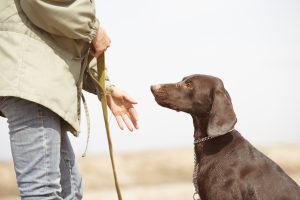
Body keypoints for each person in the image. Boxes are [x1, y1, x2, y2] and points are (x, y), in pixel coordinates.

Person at [0, 0, 138, 199]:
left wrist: (105, 87)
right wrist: (93, 28)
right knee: (42, 192)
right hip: (32, 76)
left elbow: (62, 38)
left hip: (38, 77)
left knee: (70, 192)